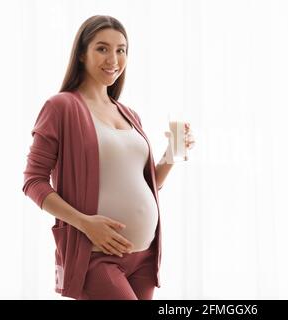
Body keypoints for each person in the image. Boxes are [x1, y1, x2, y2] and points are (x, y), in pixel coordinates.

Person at [22, 15, 195, 300]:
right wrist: (85, 223)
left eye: (121, 49)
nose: (113, 58)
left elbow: (146, 183)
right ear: (81, 54)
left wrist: (173, 154)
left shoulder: (128, 113)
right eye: (102, 48)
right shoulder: (61, 107)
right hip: (95, 255)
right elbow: (33, 182)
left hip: (145, 256)